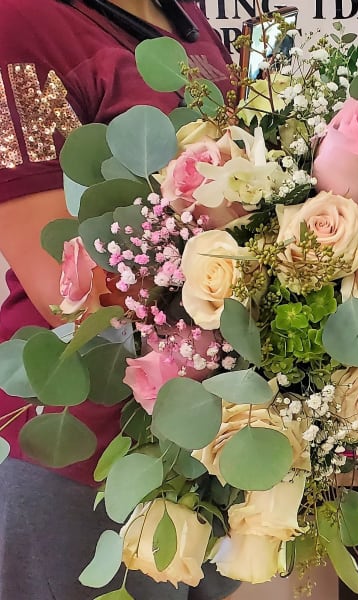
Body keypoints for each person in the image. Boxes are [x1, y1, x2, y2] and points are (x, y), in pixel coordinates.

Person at [0, 1, 240, 598]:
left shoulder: (185, 13)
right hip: (82, 444)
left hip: (204, 438)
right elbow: (67, 288)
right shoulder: (19, 23)